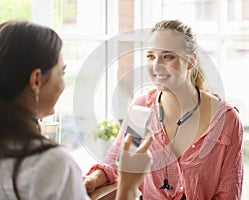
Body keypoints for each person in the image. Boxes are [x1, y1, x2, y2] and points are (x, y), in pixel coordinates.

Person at [84, 19, 244, 199]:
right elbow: (118, 161)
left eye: (167, 56)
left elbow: (229, 193)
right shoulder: (141, 108)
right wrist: (93, 179)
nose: (156, 65)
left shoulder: (227, 120)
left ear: (191, 61)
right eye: (151, 56)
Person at [0, 20, 152, 200]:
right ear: (37, 80)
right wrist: (128, 185)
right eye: (62, 73)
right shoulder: (52, 164)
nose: (64, 84)